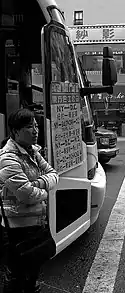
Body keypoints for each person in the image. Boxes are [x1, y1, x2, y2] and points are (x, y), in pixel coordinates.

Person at [0, 108, 59, 293]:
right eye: (28, 127)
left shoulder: (33, 152)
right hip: (17, 228)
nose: (35, 130)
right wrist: (45, 193)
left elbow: (54, 175)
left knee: (33, 268)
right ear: (15, 131)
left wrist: (37, 183)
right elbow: (26, 194)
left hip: (35, 222)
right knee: (16, 274)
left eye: (35, 126)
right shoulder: (7, 158)